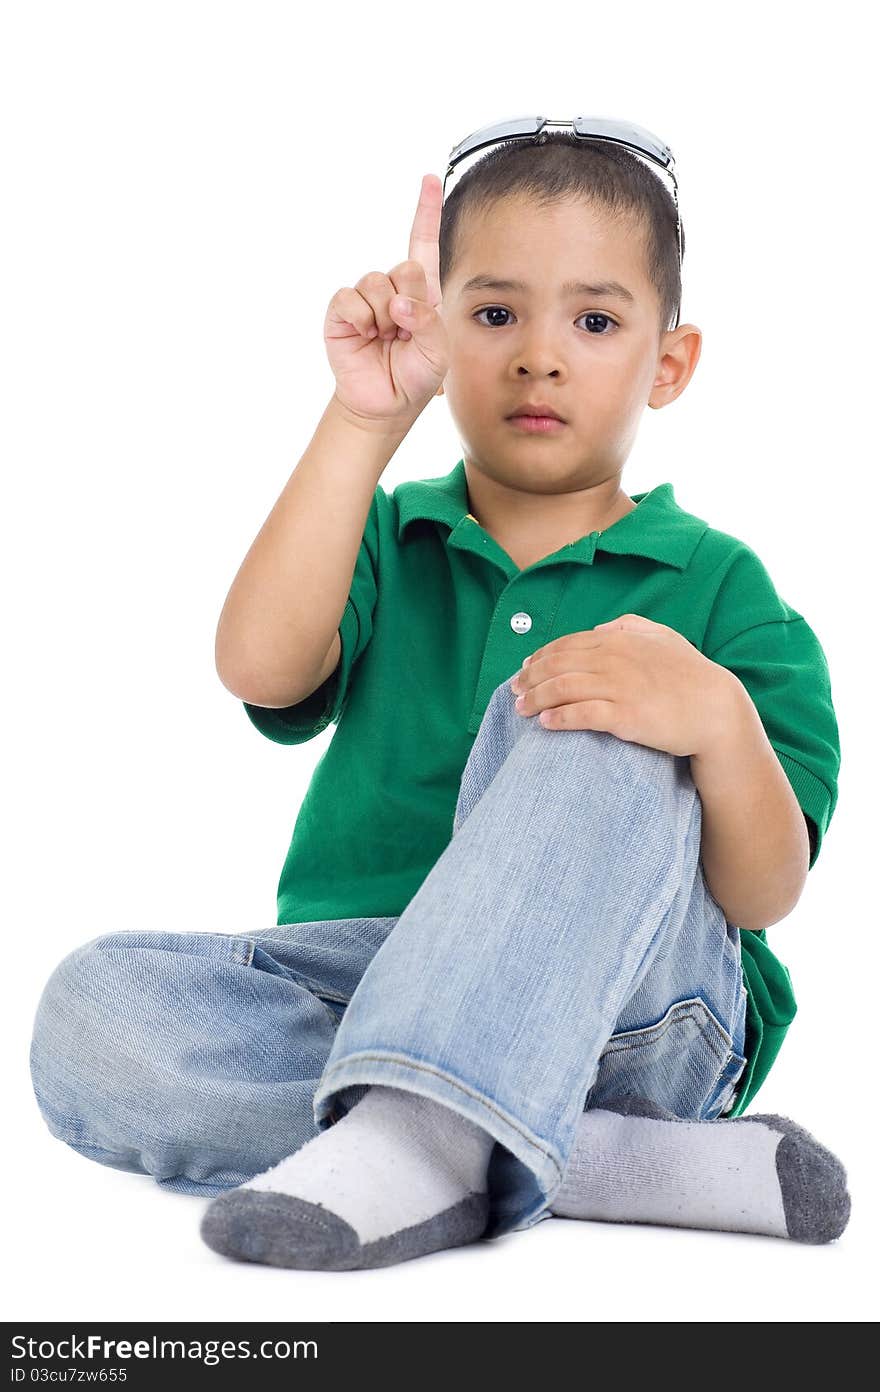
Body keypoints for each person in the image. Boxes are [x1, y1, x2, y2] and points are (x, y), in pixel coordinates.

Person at [29, 120, 850, 1272]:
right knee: (94, 1009)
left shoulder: (722, 592)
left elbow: (764, 892)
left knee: (584, 702)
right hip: (367, 980)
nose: (539, 356)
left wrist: (710, 718)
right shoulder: (385, 535)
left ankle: (440, 1129)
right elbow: (262, 668)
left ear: (668, 362)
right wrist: (367, 416)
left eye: (596, 321)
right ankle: (583, 1156)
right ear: (440, 329)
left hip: (636, 1012)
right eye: (496, 313)